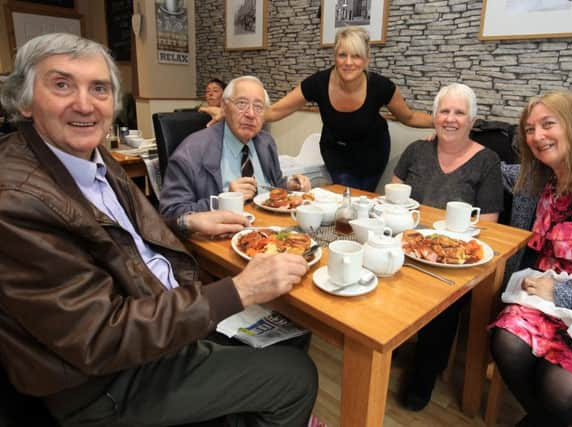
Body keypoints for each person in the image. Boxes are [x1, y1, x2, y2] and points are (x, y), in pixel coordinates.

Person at [0, 33, 318, 427]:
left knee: (291, 336)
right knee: (297, 376)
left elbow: (126, 234)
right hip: (105, 384)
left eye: (98, 88)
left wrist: (186, 222)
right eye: (62, 84)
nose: (84, 103)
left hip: (157, 317)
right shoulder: (16, 199)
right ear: (26, 100)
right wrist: (238, 291)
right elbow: (99, 337)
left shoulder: (92, 156)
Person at [201, 27, 433, 192]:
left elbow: (409, 117)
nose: (348, 62)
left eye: (356, 56)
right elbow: (275, 111)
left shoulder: (381, 86)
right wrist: (230, 112)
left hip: (372, 154)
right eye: (342, 55)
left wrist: (439, 122)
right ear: (335, 56)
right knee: (343, 197)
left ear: (366, 59)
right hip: (336, 153)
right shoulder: (318, 83)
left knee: (360, 200)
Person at [490, 90, 572, 427]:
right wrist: (453, 134)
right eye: (529, 129)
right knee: (506, 342)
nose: (537, 136)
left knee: (566, 391)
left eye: (548, 124)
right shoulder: (537, 176)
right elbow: (495, 168)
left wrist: (562, 292)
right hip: (539, 292)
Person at [392, 83, 503, 410]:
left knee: (445, 298)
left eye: (459, 113)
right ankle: (390, 340)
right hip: (408, 246)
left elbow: (490, 224)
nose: (450, 119)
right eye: (444, 111)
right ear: (434, 116)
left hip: (455, 257)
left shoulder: (487, 161)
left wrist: (447, 247)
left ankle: (424, 371)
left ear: (472, 120)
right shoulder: (417, 150)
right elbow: (393, 197)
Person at [160, 76, 311, 219]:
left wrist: (290, 186)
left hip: (268, 233)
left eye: (258, 107)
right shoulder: (191, 150)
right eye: (241, 104)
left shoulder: (266, 143)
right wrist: (225, 200)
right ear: (224, 107)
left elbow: (273, 186)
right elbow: (171, 212)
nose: (251, 114)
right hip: (219, 238)